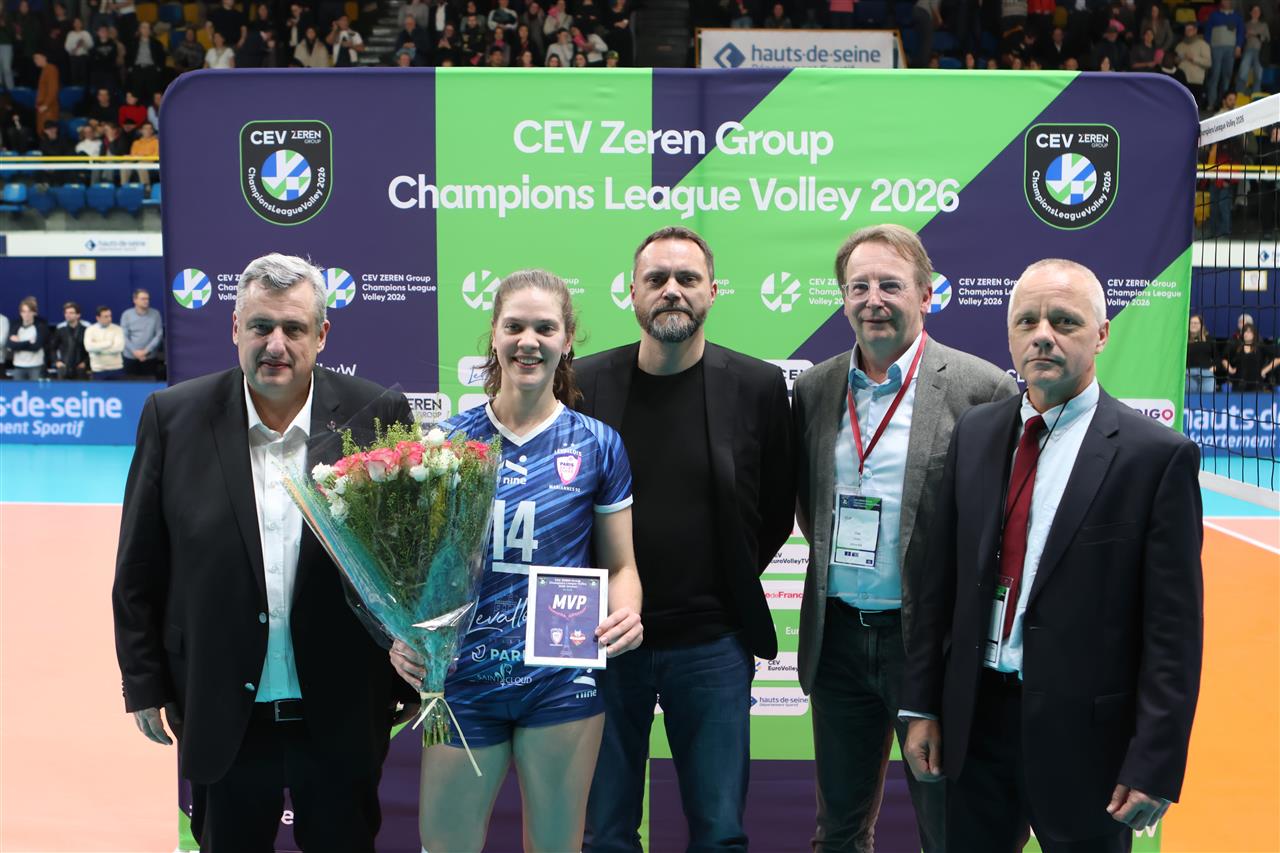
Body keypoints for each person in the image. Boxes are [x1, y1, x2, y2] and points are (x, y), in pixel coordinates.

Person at [112, 254, 415, 852]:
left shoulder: (376, 415)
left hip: (343, 706)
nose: (276, 344)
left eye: (294, 328)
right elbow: (139, 566)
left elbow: (408, 562)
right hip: (220, 706)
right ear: (235, 329)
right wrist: (143, 682)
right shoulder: (173, 418)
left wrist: (407, 671)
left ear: (322, 335)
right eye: (261, 326)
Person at [900, 258, 1204, 853]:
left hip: (1089, 741)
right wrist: (921, 704)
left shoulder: (1154, 457)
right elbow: (939, 585)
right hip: (975, 726)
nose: (1043, 335)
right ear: (1010, 334)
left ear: (1102, 334)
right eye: (1027, 321)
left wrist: (1156, 759)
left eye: (1065, 321)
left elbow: (1174, 630)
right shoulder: (977, 433)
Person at [390, 269, 644, 853]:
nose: (529, 341)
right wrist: (402, 634)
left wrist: (627, 611)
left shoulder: (597, 444)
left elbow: (621, 566)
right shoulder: (447, 443)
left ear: (568, 340)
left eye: (545, 328)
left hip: (561, 680)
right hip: (461, 678)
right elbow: (414, 571)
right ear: (495, 335)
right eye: (515, 327)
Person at [793, 225, 1017, 853]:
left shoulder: (982, 389)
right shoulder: (814, 389)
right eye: (858, 286)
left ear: (925, 294)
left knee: (948, 831)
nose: (873, 300)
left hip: (929, 646)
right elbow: (811, 509)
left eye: (890, 285)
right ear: (843, 299)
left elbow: (998, 533)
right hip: (837, 640)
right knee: (838, 832)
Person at [577, 226, 795, 852]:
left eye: (688, 278)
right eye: (656, 279)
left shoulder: (757, 386)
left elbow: (775, 510)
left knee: (719, 834)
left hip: (712, 643)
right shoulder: (585, 383)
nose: (672, 290)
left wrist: (725, 579)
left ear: (713, 292)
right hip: (603, 643)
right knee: (605, 833)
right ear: (631, 293)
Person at [1204, 0, 1244, 111]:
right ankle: (1211, 103)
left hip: (1230, 49)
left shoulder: (1237, 17)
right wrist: (1208, 47)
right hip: (1215, 48)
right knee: (1215, 75)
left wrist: (1238, 46)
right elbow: (1208, 32)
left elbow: (1240, 33)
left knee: (1227, 77)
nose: (1226, 2)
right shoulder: (1214, 15)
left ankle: (1224, 104)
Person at [121, 288, 163, 379]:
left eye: (147, 299)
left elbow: (159, 335)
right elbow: (124, 336)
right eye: (143, 299)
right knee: (129, 384)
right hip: (130, 357)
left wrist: (146, 351)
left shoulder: (155, 314)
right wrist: (135, 352)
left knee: (149, 383)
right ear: (135, 300)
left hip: (149, 357)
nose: (146, 301)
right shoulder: (126, 314)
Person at [1222, 322, 1278, 390]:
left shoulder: (1260, 347)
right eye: (1244, 332)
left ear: (1254, 334)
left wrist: (1264, 371)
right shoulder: (1237, 346)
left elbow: (1278, 359)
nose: (1246, 334)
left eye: (1249, 332)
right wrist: (1230, 369)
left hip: (1256, 385)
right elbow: (1224, 358)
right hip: (1238, 385)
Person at [9, 297, 49, 380]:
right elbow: (11, 346)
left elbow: (36, 347)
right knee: (18, 387)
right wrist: (28, 342)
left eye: (29, 311)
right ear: (20, 313)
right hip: (19, 365)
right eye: (24, 311)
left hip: (36, 366)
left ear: (34, 313)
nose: (26, 314)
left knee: (36, 388)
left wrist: (19, 342)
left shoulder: (40, 326)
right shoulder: (15, 326)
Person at [1235, 4, 1269, 94]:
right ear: (1250, 12)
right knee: (1243, 72)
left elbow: (1267, 38)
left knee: (1258, 74)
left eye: (1258, 11)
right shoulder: (1246, 24)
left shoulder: (1263, 25)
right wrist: (1245, 36)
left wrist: (1255, 34)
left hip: (1259, 51)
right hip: (1248, 50)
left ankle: (1256, 94)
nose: (1256, 13)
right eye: (1254, 11)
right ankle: (1240, 93)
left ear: (1260, 13)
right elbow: (1240, 37)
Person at [1175, 23, 1211, 108]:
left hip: (1196, 81)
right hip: (1181, 81)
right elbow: (1174, 62)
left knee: (1194, 107)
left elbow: (1208, 63)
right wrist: (1178, 59)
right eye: (1186, 30)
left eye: (1190, 29)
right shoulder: (1179, 46)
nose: (1187, 31)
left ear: (1195, 31)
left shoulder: (1203, 45)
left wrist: (1194, 58)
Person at [85, 304, 125, 379]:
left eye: (110, 316)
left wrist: (97, 349)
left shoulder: (118, 329)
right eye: (106, 316)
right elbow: (89, 348)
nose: (109, 319)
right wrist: (108, 343)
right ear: (98, 318)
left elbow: (118, 348)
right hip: (98, 370)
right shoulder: (90, 330)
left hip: (116, 369)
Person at [52, 301, 90, 379]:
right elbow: (52, 348)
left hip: (80, 368)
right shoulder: (60, 329)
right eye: (66, 313)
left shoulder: (86, 329)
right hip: (64, 368)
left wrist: (85, 363)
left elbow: (90, 348)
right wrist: (57, 362)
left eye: (71, 313)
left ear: (78, 315)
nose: (68, 315)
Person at [1186, 313, 1218, 395]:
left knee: (1208, 400)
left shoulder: (1209, 339)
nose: (1193, 325)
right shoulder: (1184, 340)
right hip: (1188, 375)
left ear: (1201, 325)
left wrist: (1214, 367)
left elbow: (1217, 357)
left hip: (1207, 374)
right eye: (1191, 323)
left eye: (1196, 323)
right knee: (1190, 400)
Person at [34, 52, 59, 136]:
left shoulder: (51, 69)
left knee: (48, 131)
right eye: (34, 59)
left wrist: (46, 105)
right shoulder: (45, 70)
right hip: (43, 107)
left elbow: (53, 89)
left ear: (44, 57)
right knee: (42, 131)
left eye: (37, 58)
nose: (35, 61)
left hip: (48, 108)